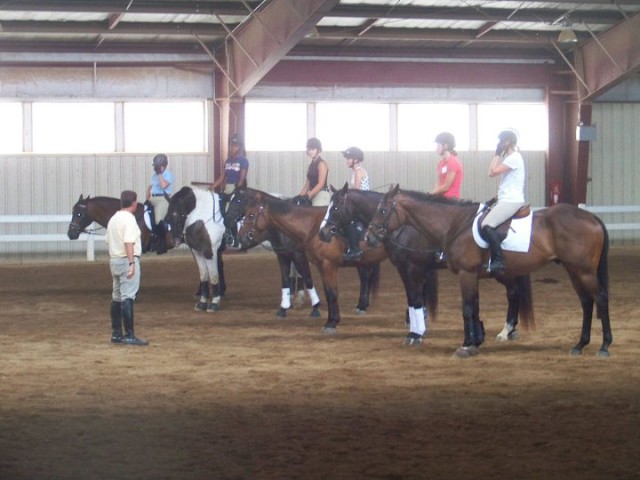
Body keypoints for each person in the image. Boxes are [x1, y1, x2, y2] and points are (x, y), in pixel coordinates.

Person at [481, 129, 526, 274]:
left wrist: (496, 154)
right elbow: (509, 183)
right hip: (506, 199)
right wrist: (495, 198)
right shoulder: (511, 158)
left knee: (486, 225)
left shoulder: (514, 157)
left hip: (512, 201)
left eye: (502, 141)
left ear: (508, 142)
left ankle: (499, 261)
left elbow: (491, 172)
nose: (500, 143)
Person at [106, 190, 148, 346]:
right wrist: (131, 263)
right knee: (128, 297)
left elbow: (108, 240)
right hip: (126, 260)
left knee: (116, 297)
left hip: (114, 260)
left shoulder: (113, 219)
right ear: (134, 203)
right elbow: (129, 242)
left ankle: (116, 333)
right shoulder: (129, 219)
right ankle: (129, 334)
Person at [210, 134, 249, 247]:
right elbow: (223, 177)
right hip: (228, 188)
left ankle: (235, 239)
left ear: (240, 147)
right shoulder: (228, 161)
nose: (232, 148)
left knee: (229, 214)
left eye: (235, 146)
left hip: (237, 190)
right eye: (232, 145)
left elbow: (241, 179)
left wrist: (236, 191)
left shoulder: (243, 161)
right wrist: (211, 187)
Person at [342, 146, 370, 262]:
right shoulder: (357, 171)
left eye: (349, 158)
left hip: (361, 204)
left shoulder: (358, 172)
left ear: (356, 160)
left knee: (349, 221)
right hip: (361, 202)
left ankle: (355, 250)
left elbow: (356, 191)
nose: (347, 160)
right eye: (347, 158)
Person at [145, 153, 174, 254]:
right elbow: (150, 187)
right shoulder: (154, 175)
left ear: (163, 165)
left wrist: (160, 174)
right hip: (153, 197)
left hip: (163, 199)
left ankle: (162, 243)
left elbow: (163, 186)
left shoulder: (168, 174)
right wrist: (147, 198)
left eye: (158, 166)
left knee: (158, 220)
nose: (156, 168)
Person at [296, 137, 330, 207]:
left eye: (313, 149)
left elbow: (321, 184)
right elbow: (307, 185)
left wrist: (308, 195)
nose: (310, 151)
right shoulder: (310, 165)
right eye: (309, 149)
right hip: (312, 194)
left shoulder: (322, 164)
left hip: (321, 194)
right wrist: (299, 197)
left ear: (319, 150)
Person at [431, 132, 463, 199]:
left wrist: (430, 194)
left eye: (438, 146)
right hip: (441, 199)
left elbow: (446, 187)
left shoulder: (453, 162)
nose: (436, 148)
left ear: (445, 146)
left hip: (451, 200)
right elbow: (438, 184)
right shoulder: (441, 164)